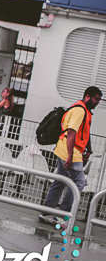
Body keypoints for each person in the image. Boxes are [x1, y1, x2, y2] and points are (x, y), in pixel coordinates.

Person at [39, 86, 102, 229]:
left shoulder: (81, 110)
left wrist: (89, 149)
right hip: (70, 151)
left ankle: (46, 213)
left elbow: (83, 132)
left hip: (64, 149)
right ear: (87, 97)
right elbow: (72, 133)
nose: (98, 102)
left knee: (60, 182)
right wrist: (70, 156)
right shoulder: (80, 111)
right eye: (96, 98)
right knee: (79, 183)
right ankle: (61, 215)